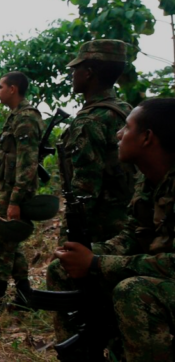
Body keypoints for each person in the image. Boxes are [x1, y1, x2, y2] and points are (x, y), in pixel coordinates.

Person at [49, 98, 175, 362]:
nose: (118, 134)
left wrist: (96, 263)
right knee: (62, 266)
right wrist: (87, 253)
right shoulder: (148, 182)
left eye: (127, 128)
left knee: (134, 291)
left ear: (147, 138)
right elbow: (132, 235)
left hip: (161, 280)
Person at [0, 72, 44, 314]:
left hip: (14, 193)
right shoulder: (15, 117)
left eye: (1, 86)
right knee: (11, 242)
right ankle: (25, 295)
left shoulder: (26, 118)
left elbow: (28, 164)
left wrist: (15, 200)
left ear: (13, 89)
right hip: (6, 190)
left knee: (2, 242)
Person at [57, 39, 135, 245]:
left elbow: (85, 188)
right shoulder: (126, 110)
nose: (73, 75)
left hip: (101, 227)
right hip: (128, 220)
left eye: (77, 69)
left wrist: (67, 238)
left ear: (89, 72)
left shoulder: (90, 120)